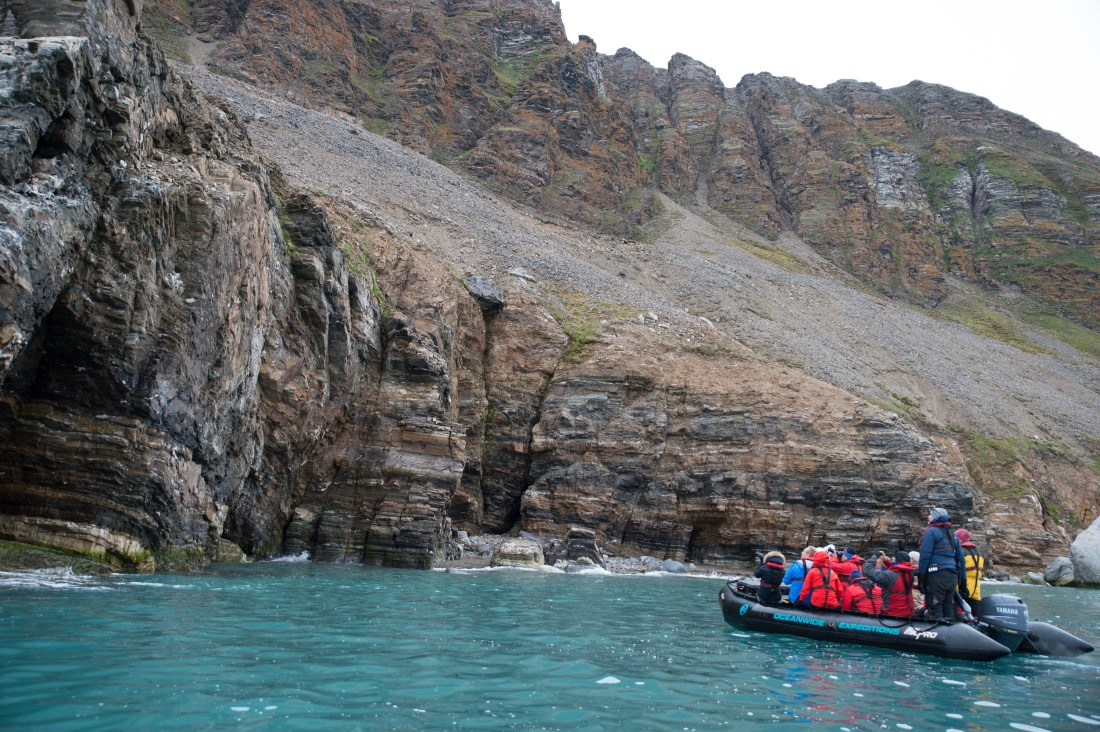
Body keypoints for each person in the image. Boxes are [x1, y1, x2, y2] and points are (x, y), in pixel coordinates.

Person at [918, 507, 966, 621]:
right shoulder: (953, 536)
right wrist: (963, 582)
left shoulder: (931, 532)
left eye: (930, 515)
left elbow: (924, 557)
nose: (928, 517)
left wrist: (921, 578)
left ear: (935, 517)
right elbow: (961, 560)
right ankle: (950, 633)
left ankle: (934, 635)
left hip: (936, 576)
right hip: (952, 576)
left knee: (935, 607)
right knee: (947, 607)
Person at [865, 550, 916, 618]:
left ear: (897, 561)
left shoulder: (890, 575)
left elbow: (868, 571)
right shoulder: (910, 572)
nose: (892, 559)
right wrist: (886, 561)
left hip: (892, 613)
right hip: (908, 612)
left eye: (893, 558)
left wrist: (874, 556)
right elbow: (898, 569)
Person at [955, 528, 985, 602]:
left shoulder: (959, 551)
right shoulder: (978, 553)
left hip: (962, 589)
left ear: (960, 540)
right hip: (976, 590)